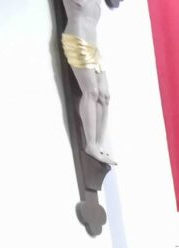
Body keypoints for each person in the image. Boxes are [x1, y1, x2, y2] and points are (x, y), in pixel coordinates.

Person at [62, 0, 117, 165]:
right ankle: (91, 145)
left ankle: (98, 145)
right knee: (91, 91)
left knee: (104, 95)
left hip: (94, 46)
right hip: (77, 41)